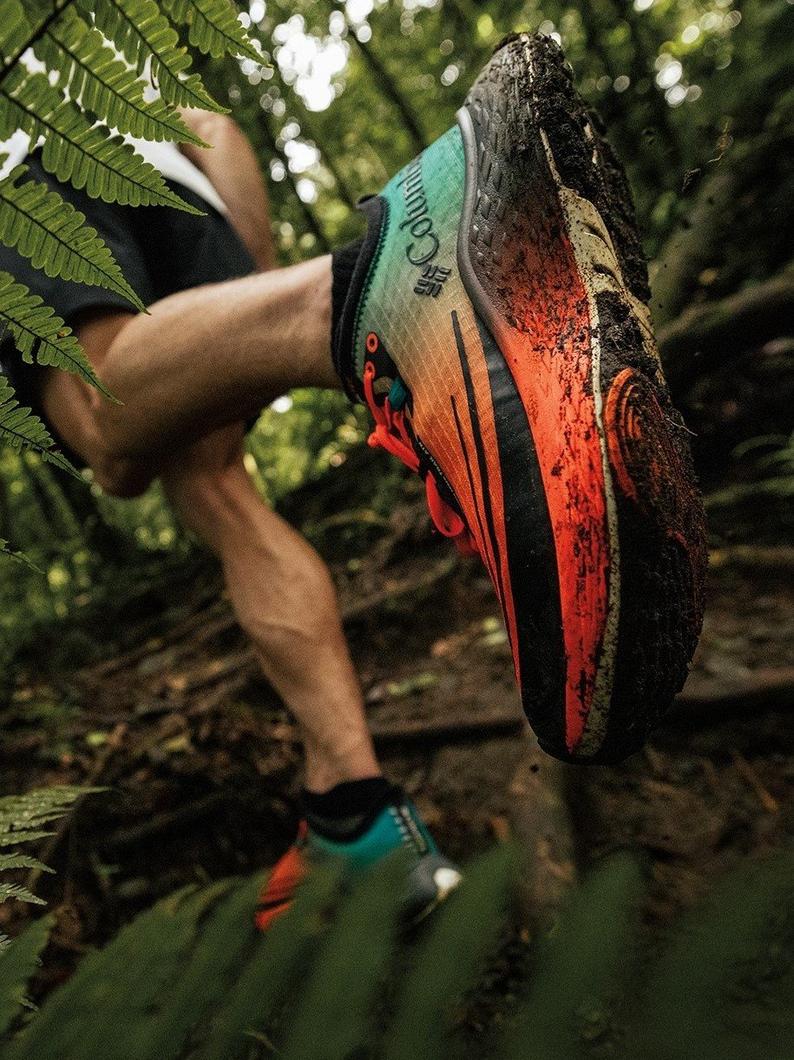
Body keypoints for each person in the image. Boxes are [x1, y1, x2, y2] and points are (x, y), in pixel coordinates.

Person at [0, 34, 706, 928]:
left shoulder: (39, 80)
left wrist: (300, 305)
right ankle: (351, 807)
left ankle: (381, 292)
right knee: (213, 488)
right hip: (200, 204)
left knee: (105, 428)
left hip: (40, 177)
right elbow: (210, 125)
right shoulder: (123, 59)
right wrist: (243, 290)